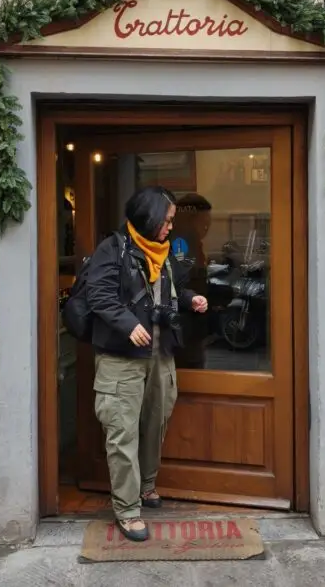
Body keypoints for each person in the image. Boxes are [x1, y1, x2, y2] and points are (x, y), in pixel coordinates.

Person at [84, 185, 209, 541]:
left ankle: (147, 486)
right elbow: (100, 296)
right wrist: (129, 325)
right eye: (167, 220)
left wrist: (190, 299)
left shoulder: (163, 252)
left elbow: (165, 293)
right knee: (122, 432)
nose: (170, 227)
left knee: (156, 422)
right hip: (121, 359)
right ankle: (126, 509)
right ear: (150, 217)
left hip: (160, 353)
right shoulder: (113, 249)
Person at [169, 193, 213, 369]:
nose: (207, 227)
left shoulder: (185, 238)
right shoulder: (184, 239)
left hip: (188, 317)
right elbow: (185, 278)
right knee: (190, 364)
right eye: (205, 221)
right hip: (185, 318)